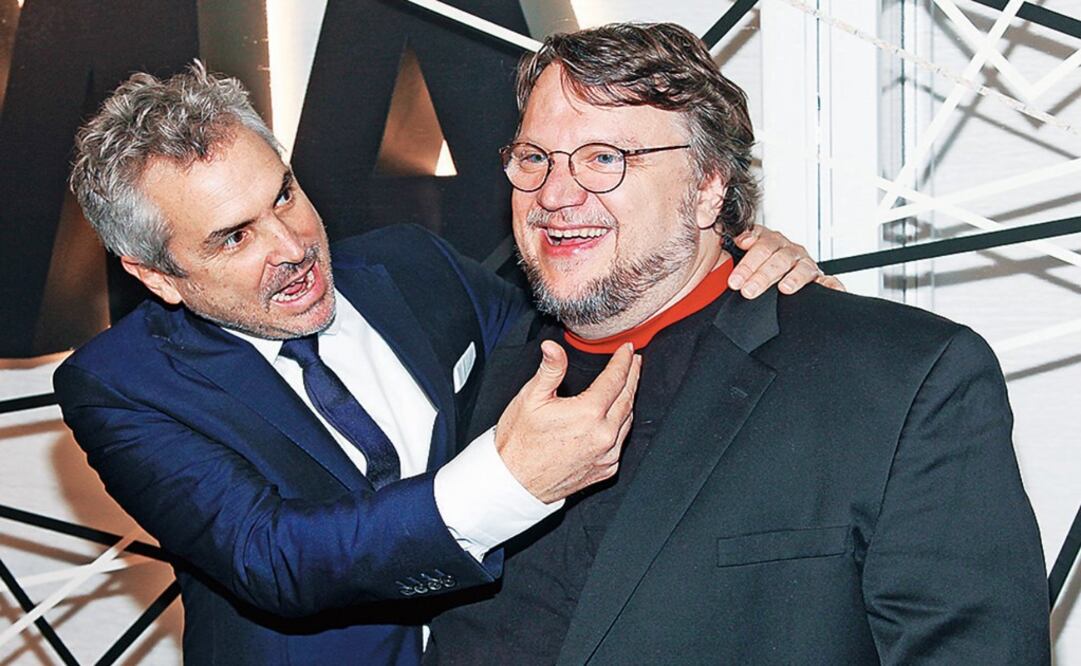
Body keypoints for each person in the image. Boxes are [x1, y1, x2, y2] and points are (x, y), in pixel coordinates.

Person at [54, 62, 820, 664]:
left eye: (283, 196)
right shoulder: (119, 385)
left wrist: (723, 261)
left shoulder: (411, 265)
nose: (292, 247)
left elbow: (578, 332)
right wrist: (506, 482)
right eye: (234, 237)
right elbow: (273, 558)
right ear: (155, 276)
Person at [426, 23, 1051, 665]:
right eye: (535, 158)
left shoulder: (900, 379)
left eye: (604, 158)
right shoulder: (467, 371)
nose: (555, 194)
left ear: (708, 188)